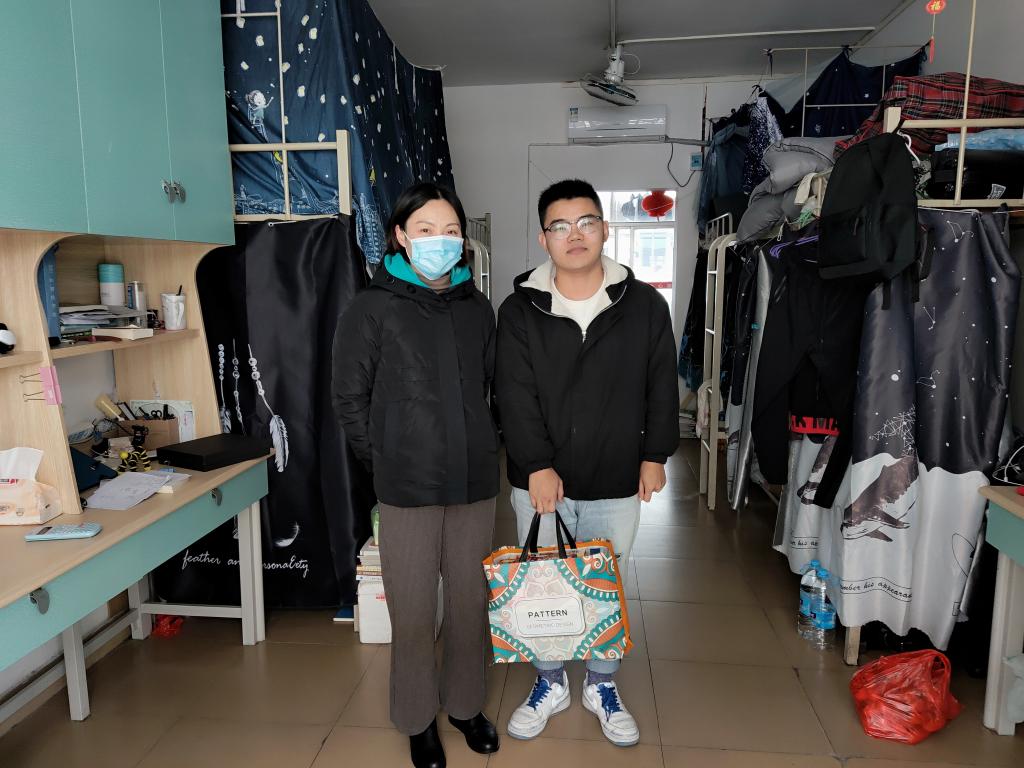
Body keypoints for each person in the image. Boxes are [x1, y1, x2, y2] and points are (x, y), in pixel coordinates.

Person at [495, 178, 679, 746]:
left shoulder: (642, 304)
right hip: (540, 479)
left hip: (615, 472)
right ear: (543, 238)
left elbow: (661, 384)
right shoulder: (520, 309)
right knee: (543, 582)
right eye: (560, 225)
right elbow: (513, 394)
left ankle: (601, 683)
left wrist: (654, 455)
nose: (574, 235)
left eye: (586, 222)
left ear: (605, 229)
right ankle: (550, 680)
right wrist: (535, 464)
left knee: (606, 581)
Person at [332, 182, 500, 768]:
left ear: (463, 240)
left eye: (450, 230)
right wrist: (386, 460)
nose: (439, 240)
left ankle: (466, 706)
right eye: (425, 229)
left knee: (470, 603)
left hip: (474, 484)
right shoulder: (372, 307)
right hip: (406, 488)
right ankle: (417, 718)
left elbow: (491, 390)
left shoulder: (477, 308)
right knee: (412, 609)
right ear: (401, 236)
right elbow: (349, 399)